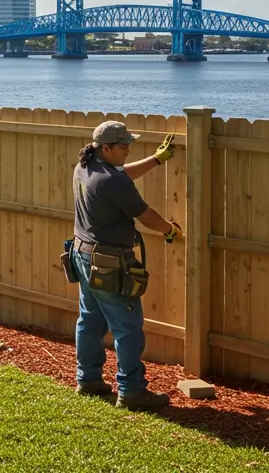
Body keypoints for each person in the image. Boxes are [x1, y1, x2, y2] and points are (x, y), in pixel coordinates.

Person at [69, 120, 183, 409]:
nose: (128, 151)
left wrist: (156, 160)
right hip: (109, 262)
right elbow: (145, 215)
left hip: (82, 255)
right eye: (123, 147)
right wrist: (170, 230)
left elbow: (121, 175)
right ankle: (132, 391)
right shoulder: (111, 180)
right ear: (105, 148)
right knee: (127, 327)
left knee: (90, 320)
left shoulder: (85, 167)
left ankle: (88, 379)